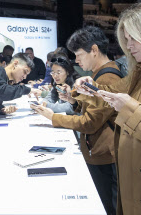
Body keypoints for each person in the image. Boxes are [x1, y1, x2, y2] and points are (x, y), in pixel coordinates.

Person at [74, 1, 141, 215]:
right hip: (135, 189)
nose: (128, 46)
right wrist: (90, 89)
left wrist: (132, 111)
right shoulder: (140, 73)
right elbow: (111, 97)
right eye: (126, 40)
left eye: (134, 39)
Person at [31, 26, 122, 215]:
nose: (76, 60)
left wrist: (53, 117)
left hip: (104, 154)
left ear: (94, 50)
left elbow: (90, 122)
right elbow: (96, 111)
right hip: (98, 150)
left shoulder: (108, 77)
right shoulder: (99, 74)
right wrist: (74, 102)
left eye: (79, 54)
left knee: (106, 206)